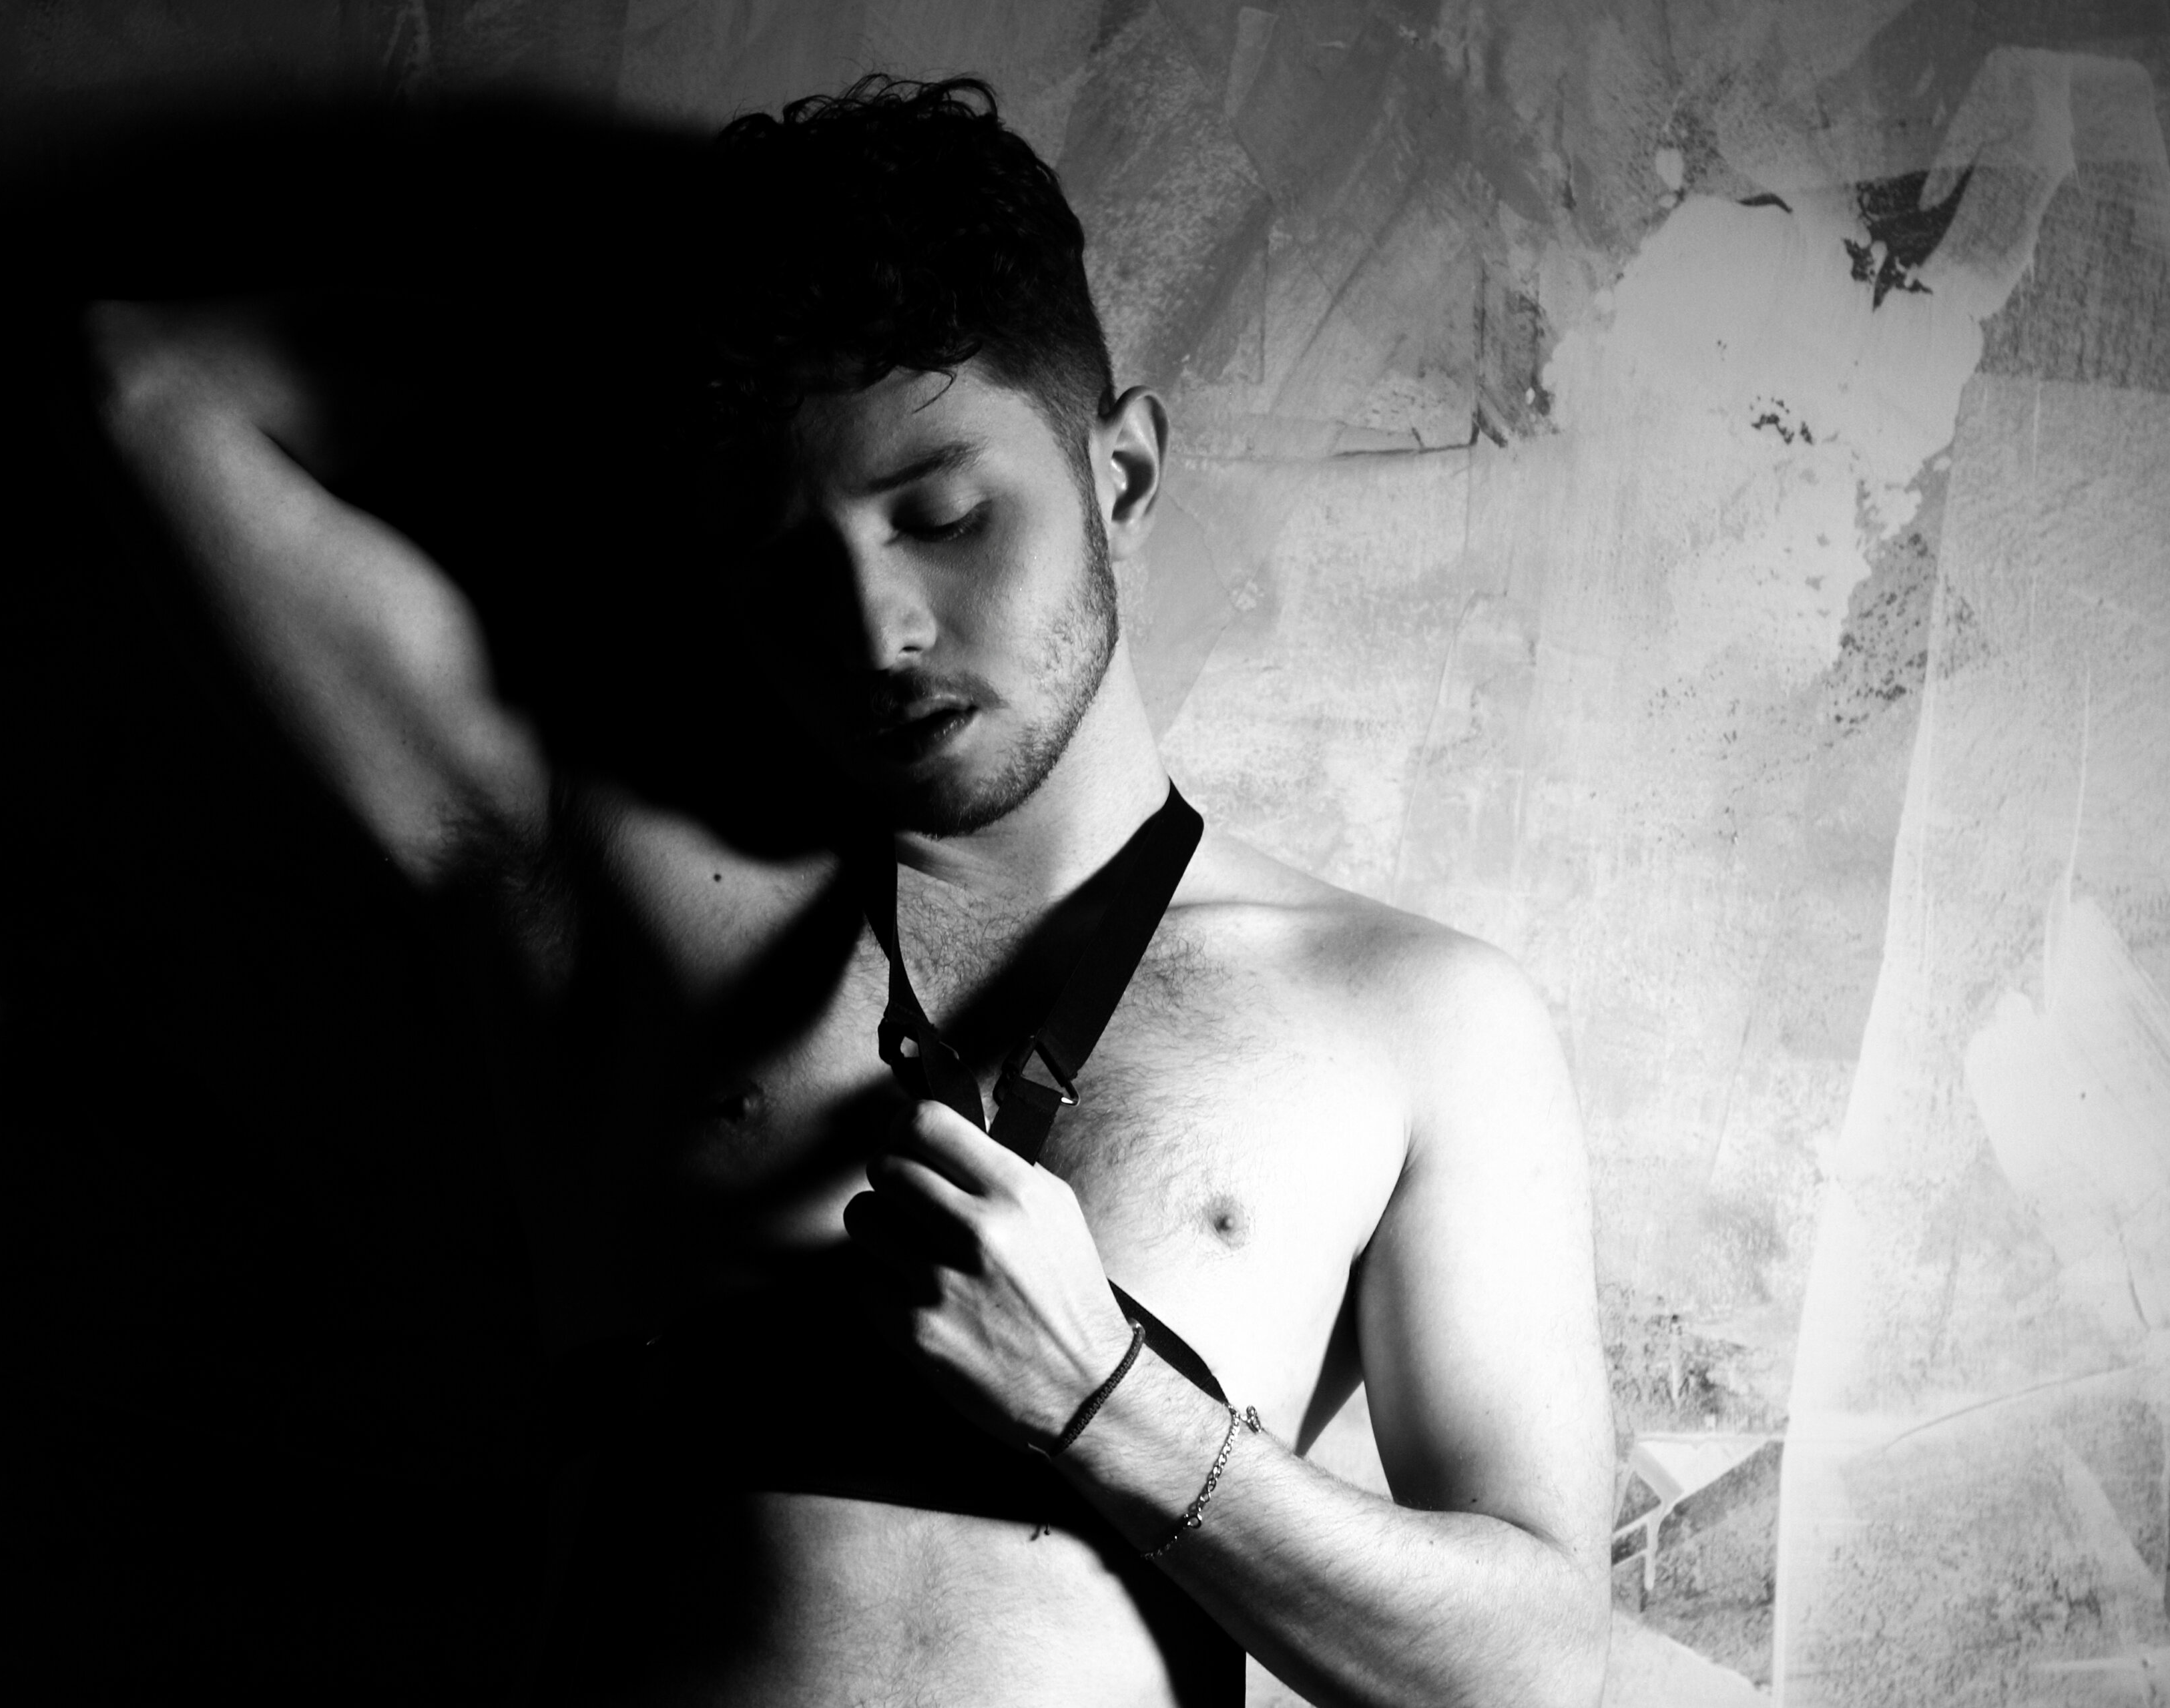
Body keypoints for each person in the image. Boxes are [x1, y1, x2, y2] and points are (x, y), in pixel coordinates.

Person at [87, 75, 1611, 1708]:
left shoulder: (1416, 1015)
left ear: (1122, 475)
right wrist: (669, 396)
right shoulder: (597, 878)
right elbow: (152, 380)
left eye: (942, 516)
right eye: (782, 561)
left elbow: (1533, 1682)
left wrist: (1110, 1402)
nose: (876, 628)